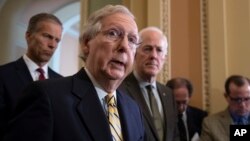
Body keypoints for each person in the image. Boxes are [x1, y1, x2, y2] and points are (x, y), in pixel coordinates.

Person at [2, 5, 145, 141]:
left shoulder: (133, 109)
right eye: (113, 33)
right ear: (86, 43)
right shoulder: (46, 96)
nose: (125, 46)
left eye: (132, 40)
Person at [0, 13, 63, 140]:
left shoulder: (61, 82)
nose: (52, 45)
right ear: (28, 36)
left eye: (57, 40)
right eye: (47, 36)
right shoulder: (3, 75)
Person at [120, 26, 179, 141]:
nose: (153, 56)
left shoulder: (168, 94)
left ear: (164, 58)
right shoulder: (119, 90)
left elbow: (174, 135)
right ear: (134, 53)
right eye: (147, 49)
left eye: (159, 50)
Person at [200, 75, 250, 141]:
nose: (242, 105)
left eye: (247, 99)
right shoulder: (210, 123)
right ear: (226, 97)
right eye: (237, 100)